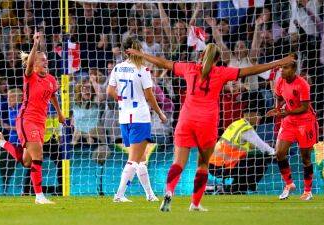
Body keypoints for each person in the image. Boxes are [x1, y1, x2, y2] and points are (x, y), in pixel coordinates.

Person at [126, 43, 295, 212]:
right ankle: (195, 204)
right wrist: (278, 62)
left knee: (178, 162)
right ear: (218, 59)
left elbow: (164, 63)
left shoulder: (189, 68)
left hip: (186, 119)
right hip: (207, 122)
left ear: (201, 56)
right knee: (203, 164)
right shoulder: (221, 72)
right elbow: (251, 70)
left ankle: (169, 192)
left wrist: (141, 55)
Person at [0, 32, 65, 204]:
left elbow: (53, 96)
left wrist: (59, 113)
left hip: (40, 122)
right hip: (26, 119)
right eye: (42, 60)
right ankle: (39, 197)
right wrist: (35, 44)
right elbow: (28, 65)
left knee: (28, 161)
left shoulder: (51, 79)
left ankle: (1, 142)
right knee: (38, 156)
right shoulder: (30, 76)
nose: (45, 62)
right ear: (34, 64)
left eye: (46, 60)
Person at [107, 37, 167, 202]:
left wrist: (122, 100)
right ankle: (119, 195)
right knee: (134, 159)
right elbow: (149, 95)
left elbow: (109, 90)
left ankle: (150, 194)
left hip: (124, 117)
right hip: (140, 116)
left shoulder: (118, 68)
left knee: (141, 159)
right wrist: (160, 113)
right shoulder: (142, 69)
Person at [266, 56, 318, 201]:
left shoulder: (303, 84)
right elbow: (278, 96)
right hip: (289, 121)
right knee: (280, 153)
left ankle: (308, 191)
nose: (282, 70)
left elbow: (304, 107)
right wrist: (277, 109)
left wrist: (286, 112)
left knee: (305, 158)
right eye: (281, 67)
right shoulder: (280, 81)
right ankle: (289, 184)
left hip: (305, 122)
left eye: (286, 68)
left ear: (294, 69)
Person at [209, 98, 275, 195]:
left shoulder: (236, 124)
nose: (260, 117)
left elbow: (250, 146)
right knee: (261, 161)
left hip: (215, 164)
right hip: (223, 165)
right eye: (258, 114)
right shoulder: (246, 128)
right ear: (249, 114)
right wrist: (276, 152)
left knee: (252, 162)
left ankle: (239, 188)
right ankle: (238, 189)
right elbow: (263, 147)